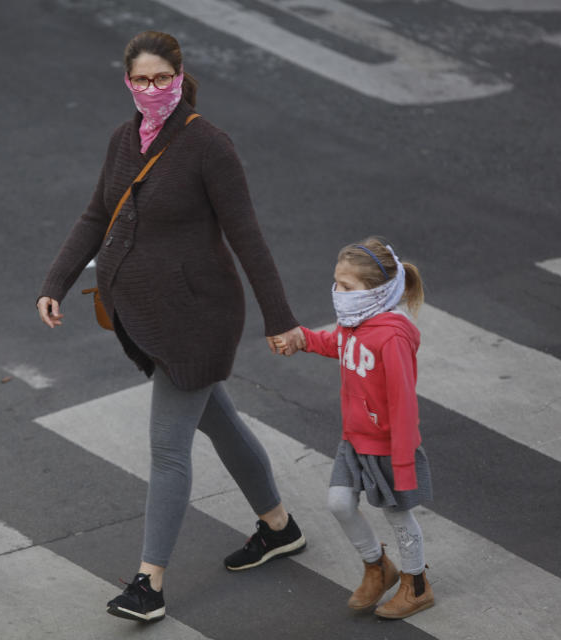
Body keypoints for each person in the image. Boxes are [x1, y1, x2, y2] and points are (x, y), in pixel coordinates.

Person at [36, 30, 306, 623]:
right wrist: (53, 283)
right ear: (127, 83)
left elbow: (248, 238)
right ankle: (280, 527)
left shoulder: (209, 146)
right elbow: (96, 215)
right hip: (148, 318)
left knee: (167, 449)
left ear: (180, 76)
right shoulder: (122, 140)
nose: (152, 89)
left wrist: (280, 318)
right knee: (222, 424)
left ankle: (148, 584)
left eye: (162, 77)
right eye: (141, 80)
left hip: (197, 319)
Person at [280, 237, 434, 619]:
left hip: (386, 445)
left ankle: (417, 586)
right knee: (338, 503)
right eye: (336, 283)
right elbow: (340, 345)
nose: (338, 293)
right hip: (354, 439)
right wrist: (303, 339)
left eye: (347, 287)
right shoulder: (355, 323)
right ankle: (378, 566)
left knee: (399, 516)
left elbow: (402, 403)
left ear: (376, 290)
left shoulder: (392, 335)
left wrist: (402, 462)